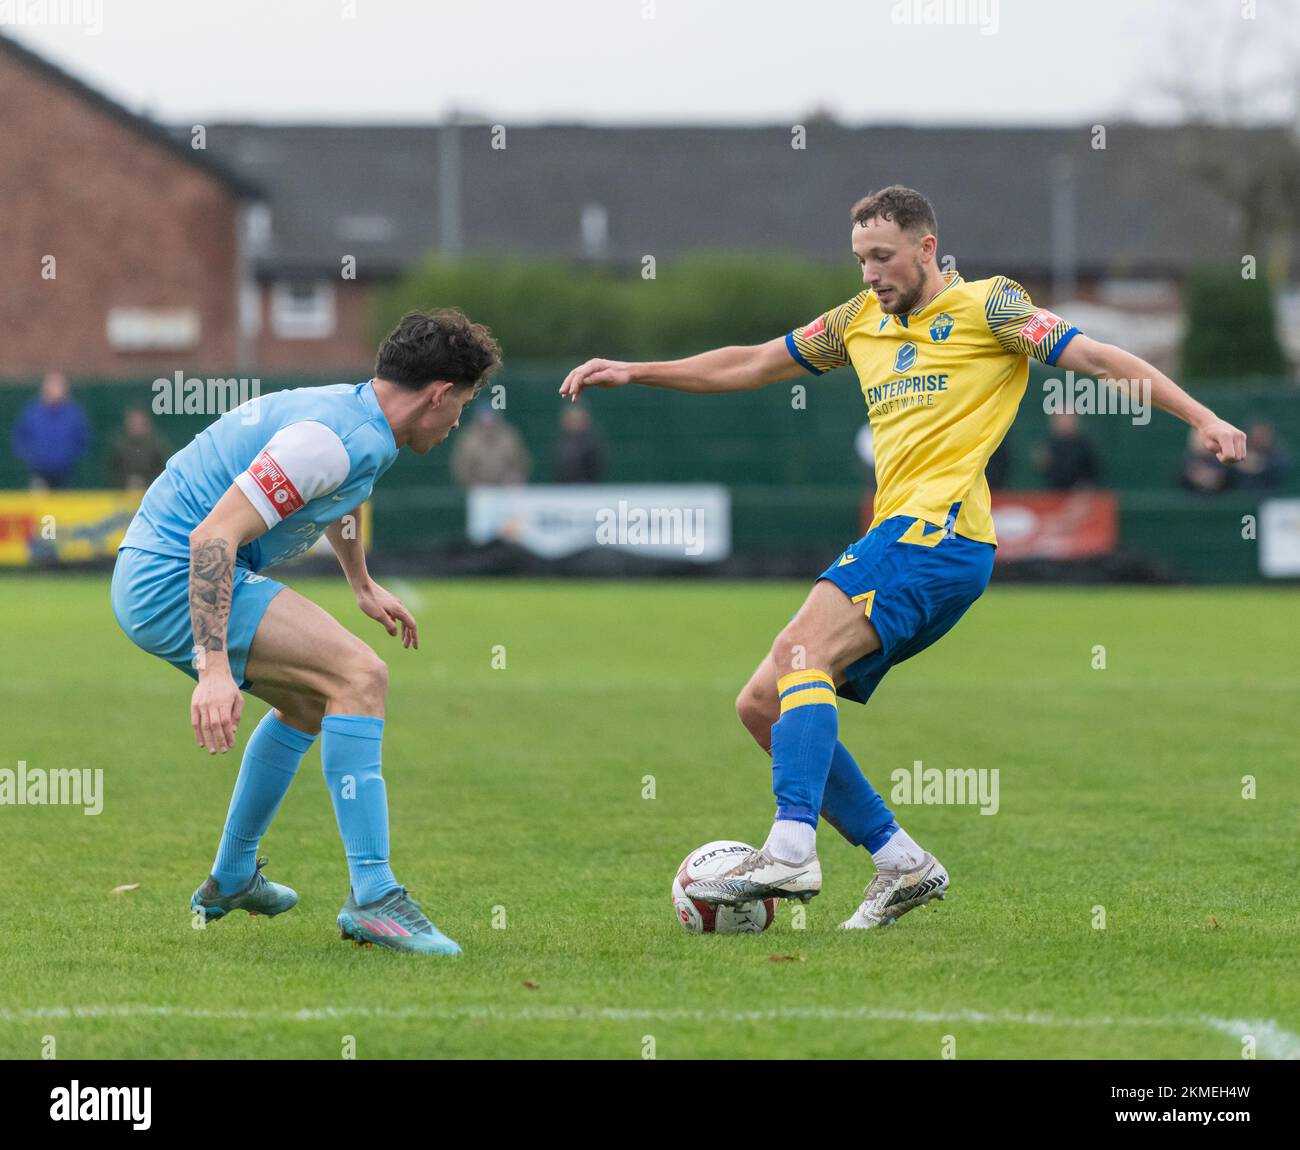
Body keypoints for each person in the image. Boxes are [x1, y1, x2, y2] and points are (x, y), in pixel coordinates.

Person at [561, 185, 1246, 930]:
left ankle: (790, 849)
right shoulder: (858, 321)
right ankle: (900, 861)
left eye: (882, 257)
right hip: (903, 538)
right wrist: (637, 370)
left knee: (800, 653)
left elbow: (1098, 357)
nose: (869, 274)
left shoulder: (991, 307)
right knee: (762, 705)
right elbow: (754, 364)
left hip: (939, 535)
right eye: (860, 260)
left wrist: (1201, 415)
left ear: (927, 249)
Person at [111, 309, 501, 956]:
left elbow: (335, 498)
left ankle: (233, 877)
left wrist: (361, 584)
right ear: (436, 394)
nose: (458, 420)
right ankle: (374, 898)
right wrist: (213, 669)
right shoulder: (334, 438)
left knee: (311, 702)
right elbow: (212, 536)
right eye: (459, 405)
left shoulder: (363, 425)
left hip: (168, 572)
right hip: (173, 573)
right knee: (359, 675)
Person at [11, 371, 92, 490]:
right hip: (38, 471)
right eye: (52, 387)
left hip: (65, 472)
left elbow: (84, 438)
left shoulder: (74, 413)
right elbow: (19, 436)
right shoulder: (32, 412)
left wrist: (69, 456)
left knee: (64, 506)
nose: (55, 391)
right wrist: (31, 456)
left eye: (59, 387)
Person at [450, 406, 531, 486]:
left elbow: (522, 462)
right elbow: (461, 468)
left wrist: (515, 477)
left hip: (506, 489)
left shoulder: (509, 438)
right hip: (477, 490)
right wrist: (472, 483)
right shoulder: (468, 440)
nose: (488, 426)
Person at [1035, 411, 1100, 490]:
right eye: (1060, 418)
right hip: (1054, 494)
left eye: (1067, 417)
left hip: (1079, 494)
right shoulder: (1049, 445)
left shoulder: (1084, 445)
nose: (1064, 421)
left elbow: (1091, 472)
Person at [110, 407, 171, 491]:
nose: (136, 426)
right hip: (120, 496)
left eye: (140, 422)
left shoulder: (157, 446)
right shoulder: (118, 446)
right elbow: (113, 474)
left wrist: (146, 483)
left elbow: (163, 473)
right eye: (133, 422)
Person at [553, 403, 606, 483]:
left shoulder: (591, 442)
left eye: (576, 419)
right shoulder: (562, 441)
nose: (573, 423)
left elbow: (597, 467)